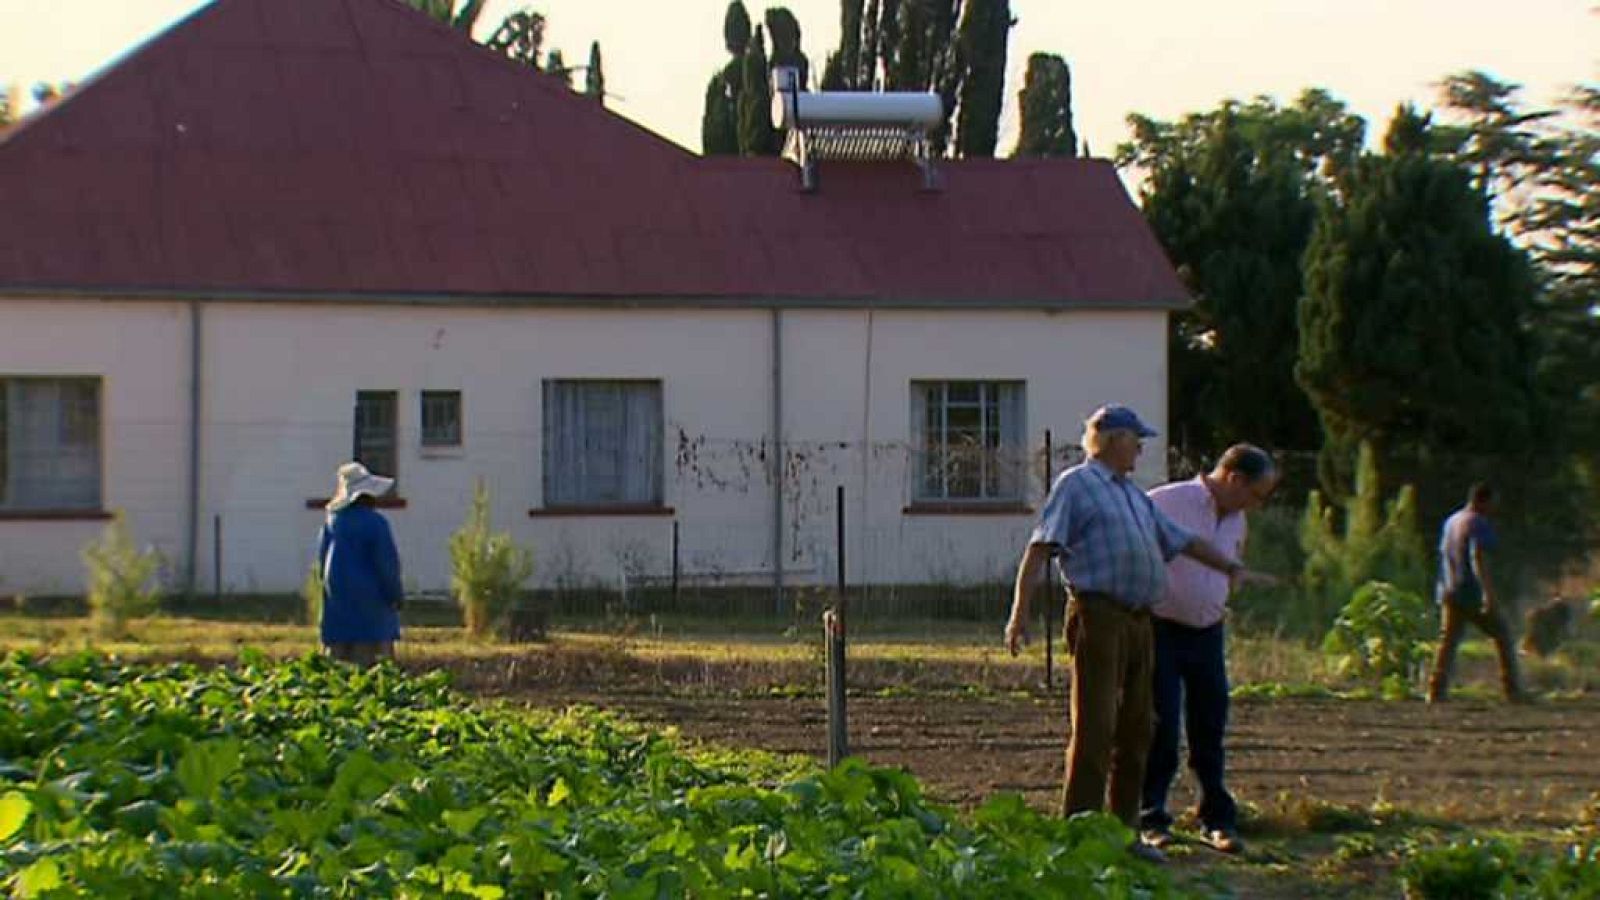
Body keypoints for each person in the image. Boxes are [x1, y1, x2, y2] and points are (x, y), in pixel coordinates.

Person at [1004, 405, 1274, 863]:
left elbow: (1182, 541)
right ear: (1111, 440)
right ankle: (1079, 835)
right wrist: (1019, 614)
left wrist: (1230, 567)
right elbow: (1039, 549)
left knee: (1138, 728)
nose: (1141, 448)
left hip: (1138, 621)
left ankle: (1125, 832)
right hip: (1099, 616)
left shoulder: (1132, 496)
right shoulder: (1078, 484)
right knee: (1095, 727)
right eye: (1136, 439)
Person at [1140, 444, 1280, 855]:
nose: (1257, 505)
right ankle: (1152, 817)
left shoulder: (1236, 519)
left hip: (1207, 632)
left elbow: (1231, 561)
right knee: (1162, 726)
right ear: (1235, 480)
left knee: (1210, 724)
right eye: (1257, 494)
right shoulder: (1167, 501)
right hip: (1160, 628)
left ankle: (1216, 818)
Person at [1425, 482, 1526, 703]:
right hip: (1470, 592)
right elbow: (1477, 558)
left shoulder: (1452, 521)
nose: (1494, 508)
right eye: (1492, 502)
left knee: (1448, 641)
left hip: (1449, 590)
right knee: (1503, 636)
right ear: (1483, 500)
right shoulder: (1477, 523)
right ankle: (1513, 690)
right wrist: (1488, 594)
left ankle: (1436, 690)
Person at [316, 461, 403, 666]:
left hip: (336, 618)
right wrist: (396, 596)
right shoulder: (376, 524)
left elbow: (322, 567)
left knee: (337, 679)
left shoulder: (331, 524)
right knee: (373, 676)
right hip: (372, 617)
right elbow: (387, 567)